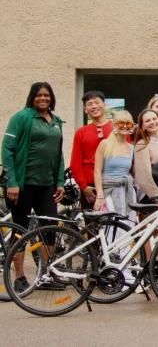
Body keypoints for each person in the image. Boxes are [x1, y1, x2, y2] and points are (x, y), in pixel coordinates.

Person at [2, 82, 66, 293]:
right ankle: (19, 276)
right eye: (39, 95)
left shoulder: (56, 121)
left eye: (47, 95)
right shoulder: (22, 118)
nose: (43, 98)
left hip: (47, 185)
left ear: (51, 98)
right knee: (20, 231)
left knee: (49, 230)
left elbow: (58, 154)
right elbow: (7, 150)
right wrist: (12, 182)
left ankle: (46, 274)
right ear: (32, 97)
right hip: (22, 185)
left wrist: (59, 181)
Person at [70, 90, 113, 209]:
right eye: (89, 104)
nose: (94, 106)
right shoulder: (81, 132)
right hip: (90, 187)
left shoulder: (117, 129)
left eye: (97, 102)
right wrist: (84, 187)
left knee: (115, 225)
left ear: (105, 105)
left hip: (114, 182)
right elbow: (75, 163)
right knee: (91, 225)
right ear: (85, 109)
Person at [92, 110, 136, 220]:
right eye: (121, 123)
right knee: (111, 228)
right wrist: (100, 196)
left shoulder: (131, 148)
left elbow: (133, 173)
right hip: (108, 193)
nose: (125, 126)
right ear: (115, 125)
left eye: (128, 124)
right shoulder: (105, 144)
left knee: (127, 226)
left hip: (127, 192)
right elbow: (97, 172)